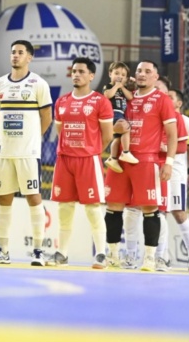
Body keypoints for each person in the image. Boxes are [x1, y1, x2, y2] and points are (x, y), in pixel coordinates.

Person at [103, 61, 177, 271]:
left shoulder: (161, 100)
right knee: (113, 206)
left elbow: (172, 134)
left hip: (145, 160)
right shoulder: (124, 95)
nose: (142, 74)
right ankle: (114, 255)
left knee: (150, 209)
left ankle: (150, 258)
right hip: (119, 160)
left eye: (148, 72)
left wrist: (169, 162)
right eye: (139, 71)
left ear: (156, 77)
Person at [0, 40, 53, 265]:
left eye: (20, 53)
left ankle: (38, 251)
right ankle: (2, 250)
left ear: (29, 57)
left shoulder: (38, 83)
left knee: (33, 197)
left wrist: (33, 139)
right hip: (4, 152)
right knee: (4, 198)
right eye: (13, 52)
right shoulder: (0, 84)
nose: (15, 56)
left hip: (28, 152)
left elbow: (47, 117)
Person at [50, 57, 112, 268]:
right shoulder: (62, 101)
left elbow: (107, 135)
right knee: (64, 208)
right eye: (74, 71)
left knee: (93, 209)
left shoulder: (100, 102)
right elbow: (60, 131)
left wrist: (91, 151)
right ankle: (62, 253)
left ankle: (102, 254)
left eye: (81, 71)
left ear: (91, 76)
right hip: (65, 160)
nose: (76, 74)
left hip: (88, 160)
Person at [156, 85, 189, 272]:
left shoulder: (185, 121)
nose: (166, 99)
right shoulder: (158, 119)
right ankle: (161, 256)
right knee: (159, 213)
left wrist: (183, 170)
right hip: (156, 171)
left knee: (179, 213)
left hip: (175, 173)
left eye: (170, 97)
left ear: (179, 103)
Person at [102, 62, 138, 173]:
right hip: (113, 113)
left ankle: (113, 158)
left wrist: (123, 86)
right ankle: (126, 152)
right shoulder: (108, 86)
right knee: (126, 128)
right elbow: (107, 95)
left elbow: (130, 97)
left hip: (121, 114)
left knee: (118, 138)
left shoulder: (123, 89)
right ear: (110, 74)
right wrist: (117, 86)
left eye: (123, 75)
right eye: (116, 73)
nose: (119, 76)